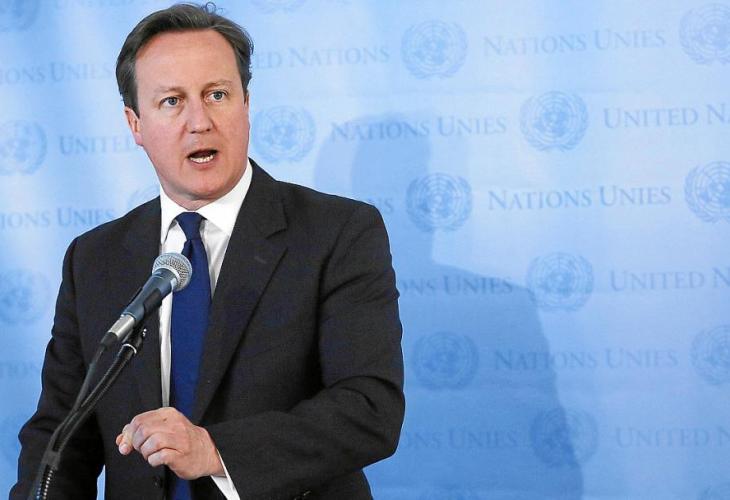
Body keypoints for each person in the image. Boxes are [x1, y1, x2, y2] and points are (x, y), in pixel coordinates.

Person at [10, 3, 404, 499]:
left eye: (217, 94)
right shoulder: (95, 258)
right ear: (135, 124)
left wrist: (215, 450)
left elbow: (369, 407)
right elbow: (61, 435)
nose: (199, 121)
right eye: (171, 101)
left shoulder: (337, 232)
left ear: (246, 104)